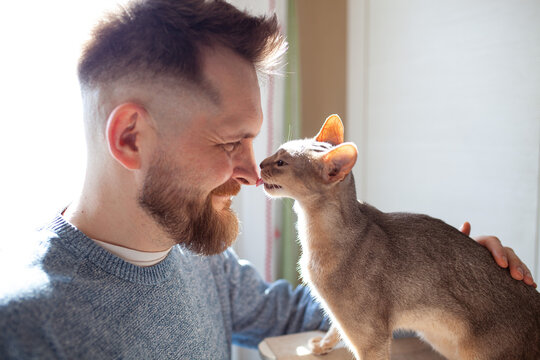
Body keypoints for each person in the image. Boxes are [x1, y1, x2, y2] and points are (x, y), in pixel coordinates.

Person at [0, 0, 535, 359]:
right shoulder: (27, 329)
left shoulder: (205, 263)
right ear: (131, 138)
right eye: (230, 142)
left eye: (255, 141)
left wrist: (464, 281)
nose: (251, 173)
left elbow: (326, 307)